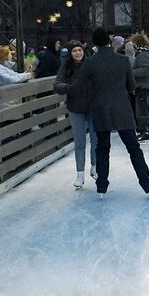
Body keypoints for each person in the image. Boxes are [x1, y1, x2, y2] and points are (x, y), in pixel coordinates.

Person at [67, 28, 149, 199]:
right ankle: (147, 184)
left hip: (100, 110)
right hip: (122, 109)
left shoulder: (90, 62)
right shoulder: (122, 61)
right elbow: (131, 86)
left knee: (102, 148)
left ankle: (101, 187)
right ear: (108, 41)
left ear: (94, 42)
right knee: (133, 148)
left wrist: (63, 88)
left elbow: (78, 85)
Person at [53, 41, 96, 189]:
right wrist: (69, 88)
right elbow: (57, 84)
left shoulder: (90, 64)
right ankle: (80, 173)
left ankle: (95, 166)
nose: (78, 53)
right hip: (75, 107)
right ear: (70, 54)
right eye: (74, 51)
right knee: (80, 142)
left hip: (92, 107)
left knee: (96, 140)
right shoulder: (66, 68)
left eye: (79, 50)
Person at [129, 33, 149, 141]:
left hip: (143, 86)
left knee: (141, 109)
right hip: (143, 85)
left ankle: (145, 131)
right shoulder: (145, 54)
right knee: (141, 108)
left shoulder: (143, 55)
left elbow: (146, 69)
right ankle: (144, 130)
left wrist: (131, 72)